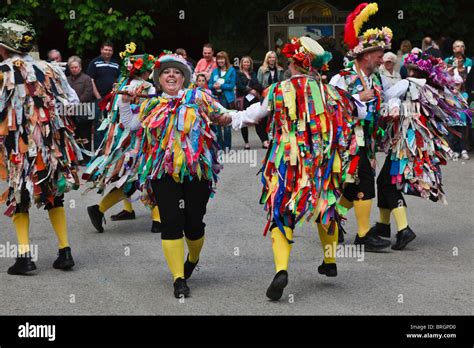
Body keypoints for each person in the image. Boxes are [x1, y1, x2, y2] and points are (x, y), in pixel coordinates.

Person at [217, 36, 353, 301]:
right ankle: (330, 260)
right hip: (321, 161)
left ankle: (281, 269)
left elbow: (255, 115)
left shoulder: (279, 90)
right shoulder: (330, 91)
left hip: (286, 160)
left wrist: (229, 117)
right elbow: (354, 111)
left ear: (292, 62)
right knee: (325, 205)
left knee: (281, 211)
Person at [117, 53, 232, 298]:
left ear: (184, 78)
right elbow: (132, 125)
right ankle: (178, 278)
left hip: (196, 172)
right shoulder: (151, 103)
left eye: (177, 72)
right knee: (170, 223)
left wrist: (231, 117)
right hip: (163, 173)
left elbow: (224, 114)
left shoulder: (198, 97)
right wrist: (125, 102)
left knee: (194, 225)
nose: (171, 75)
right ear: (159, 79)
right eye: (166, 72)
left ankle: (193, 257)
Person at [0, 18, 82, 274]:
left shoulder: (2, 72)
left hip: (18, 148)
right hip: (50, 146)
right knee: (53, 194)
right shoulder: (51, 69)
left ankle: (25, 257)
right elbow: (73, 100)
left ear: (4, 47)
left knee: (19, 195)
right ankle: (65, 251)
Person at [371, 51, 472, 249]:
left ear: (411, 69)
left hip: (405, 144)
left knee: (388, 183)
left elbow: (386, 96)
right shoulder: (431, 88)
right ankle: (383, 226)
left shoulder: (407, 83)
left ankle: (404, 229)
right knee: (385, 181)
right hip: (418, 146)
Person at [329, 2, 393, 251]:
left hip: (366, 140)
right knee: (364, 181)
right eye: (379, 53)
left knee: (354, 184)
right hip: (347, 141)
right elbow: (333, 107)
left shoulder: (376, 77)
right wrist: (357, 100)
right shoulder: (342, 78)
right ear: (366, 55)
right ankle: (364, 235)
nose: (382, 57)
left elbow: (385, 100)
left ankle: (332, 218)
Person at [83, 43, 161, 233]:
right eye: (149, 69)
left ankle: (155, 218)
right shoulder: (146, 88)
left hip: (125, 142)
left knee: (133, 179)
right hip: (139, 142)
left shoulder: (124, 87)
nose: (151, 72)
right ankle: (158, 220)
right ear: (143, 71)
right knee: (142, 179)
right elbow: (137, 121)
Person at [86, 41, 120, 151]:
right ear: (101, 50)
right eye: (105, 49)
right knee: (99, 124)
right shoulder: (94, 63)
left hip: (113, 99)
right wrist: (98, 97)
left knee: (112, 123)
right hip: (99, 99)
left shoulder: (116, 64)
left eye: (110, 50)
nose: (107, 52)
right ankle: (98, 150)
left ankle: (108, 149)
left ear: (112, 51)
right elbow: (90, 80)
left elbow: (119, 80)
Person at [67, 55, 94, 164]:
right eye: (72, 67)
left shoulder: (86, 78)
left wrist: (75, 103)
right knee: (74, 135)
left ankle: (86, 158)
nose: (74, 69)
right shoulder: (67, 79)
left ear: (80, 67)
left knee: (85, 135)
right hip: (69, 111)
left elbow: (88, 93)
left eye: (76, 67)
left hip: (84, 110)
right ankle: (76, 159)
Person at [257, 51, 284, 148]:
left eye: (273, 57)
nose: (272, 59)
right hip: (266, 96)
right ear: (267, 59)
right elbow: (259, 83)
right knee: (264, 118)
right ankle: (264, 140)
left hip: (277, 97)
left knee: (275, 117)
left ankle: (274, 139)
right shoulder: (262, 69)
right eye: (270, 57)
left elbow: (282, 83)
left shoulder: (280, 70)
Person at [209, 51, 236, 151]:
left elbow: (232, 85)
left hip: (227, 99)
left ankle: (227, 145)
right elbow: (210, 85)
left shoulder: (231, 71)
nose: (220, 60)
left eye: (222, 58)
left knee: (227, 121)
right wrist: (214, 86)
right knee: (217, 122)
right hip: (216, 98)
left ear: (226, 60)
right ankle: (220, 145)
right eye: (219, 59)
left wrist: (221, 86)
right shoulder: (215, 71)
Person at [235, 56, 263, 149]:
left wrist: (254, 89)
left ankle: (264, 140)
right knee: (244, 120)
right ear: (241, 64)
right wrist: (250, 90)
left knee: (258, 119)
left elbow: (257, 83)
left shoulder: (253, 73)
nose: (246, 64)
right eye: (244, 62)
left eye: (248, 62)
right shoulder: (238, 73)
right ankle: (246, 142)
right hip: (243, 99)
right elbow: (239, 85)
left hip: (254, 99)